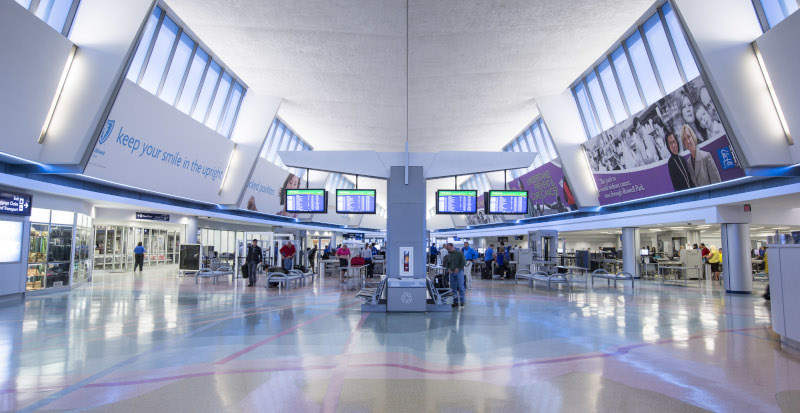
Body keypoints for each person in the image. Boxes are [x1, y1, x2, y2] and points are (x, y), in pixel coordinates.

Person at [444, 243, 466, 307]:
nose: (448, 251)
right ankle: (455, 301)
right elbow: (447, 264)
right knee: (453, 288)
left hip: (459, 272)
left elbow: (463, 262)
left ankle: (462, 301)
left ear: (452, 246)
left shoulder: (459, 254)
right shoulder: (449, 255)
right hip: (452, 273)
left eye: (449, 249)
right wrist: (448, 269)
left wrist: (458, 269)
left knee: (460, 286)